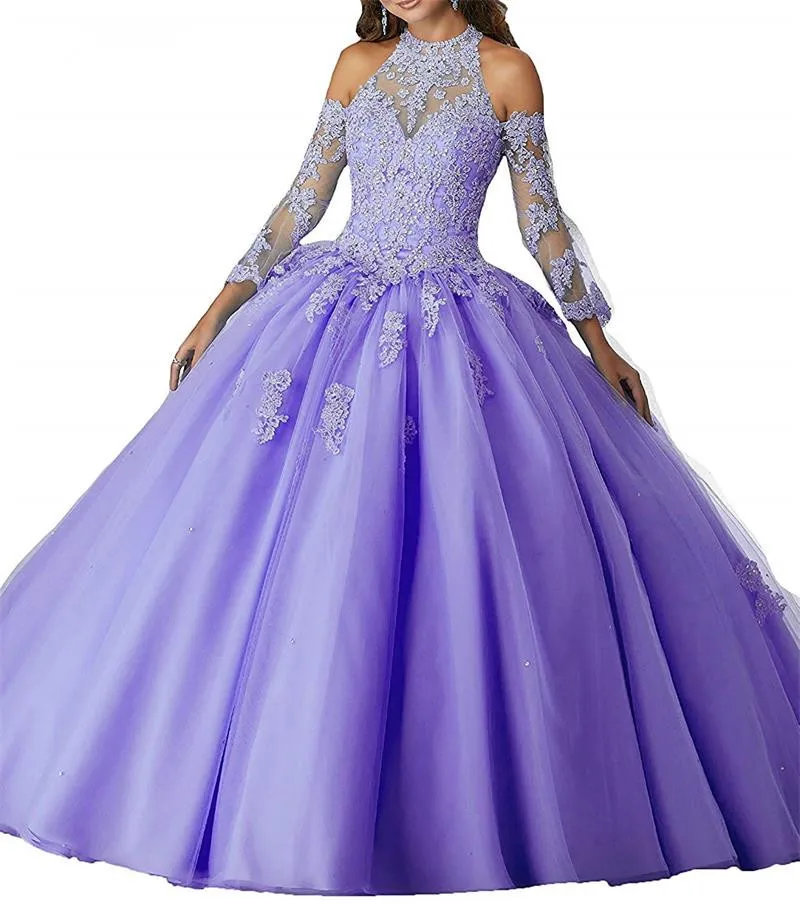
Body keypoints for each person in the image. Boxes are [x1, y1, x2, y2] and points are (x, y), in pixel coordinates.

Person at [1, 0, 798, 898]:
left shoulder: (509, 71)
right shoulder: (357, 64)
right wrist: (218, 308)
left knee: (469, 544)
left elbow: (541, 223)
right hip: (330, 316)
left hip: (462, 329)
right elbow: (304, 198)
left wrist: (598, 341)